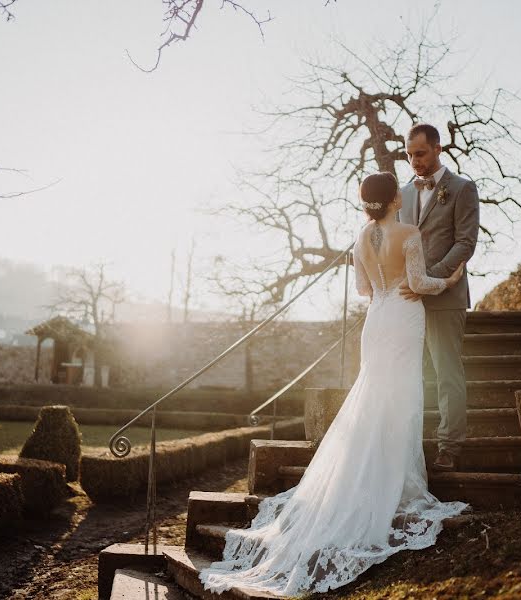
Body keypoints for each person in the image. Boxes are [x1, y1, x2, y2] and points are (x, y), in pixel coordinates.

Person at [199, 171, 468, 597]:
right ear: (394, 198)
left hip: (377, 319)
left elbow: (363, 288)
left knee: (373, 396)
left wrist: (386, 286)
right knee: (401, 398)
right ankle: (396, 483)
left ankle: (370, 476)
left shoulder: (360, 239)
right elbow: (418, 284)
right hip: (403, 318)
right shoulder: (410, 232)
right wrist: (449, 281)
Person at [398, 123, 480, 471]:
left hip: (446, 296)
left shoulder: (462, 188)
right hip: (406, 300)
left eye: (420, 153)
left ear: (437, 149)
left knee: (446, 370)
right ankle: (405, 445)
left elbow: (466, 242)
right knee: (405, 373)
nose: (414, 161)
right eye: (409, 154)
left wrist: (431, 278)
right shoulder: (402, 193)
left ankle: (449, 446)